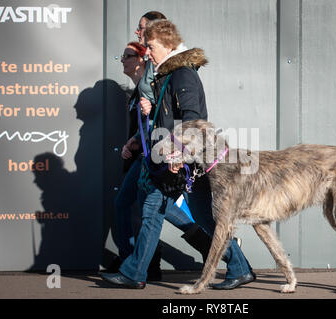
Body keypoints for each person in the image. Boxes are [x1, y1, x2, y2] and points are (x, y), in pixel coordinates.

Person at [101, 19, 255, 290]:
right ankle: (239, 268)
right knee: (193, 216)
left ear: (168, 44)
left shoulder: (182, 74)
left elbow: (192, 120)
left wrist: (179, 156)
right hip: (179, 160)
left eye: (150, 46)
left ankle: (135, 273)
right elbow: (171, 119)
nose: (146, 52)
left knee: (161, 211)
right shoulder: (167, 74)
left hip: (185, 161)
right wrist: (149, 119)